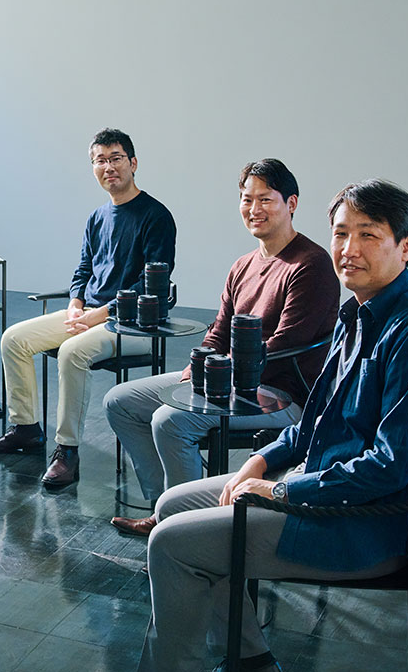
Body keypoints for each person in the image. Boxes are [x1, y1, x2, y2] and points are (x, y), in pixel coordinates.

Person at [127, 179, 408, 672]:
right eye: (341, 233)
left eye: (368, 235)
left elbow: (390, 465)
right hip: (327, 490)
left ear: (407, 246)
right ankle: (252, 663)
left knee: (171, 544)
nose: (349, 249)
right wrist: (262, 462)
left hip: (369, 523)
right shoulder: (357, 313)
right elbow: (314, 425)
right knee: (172, 505)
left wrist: (283, 490)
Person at [104, 159, 339, 535]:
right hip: (226, 383)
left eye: (265, 199)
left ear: (291, 203)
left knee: (170, 420)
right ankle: (166, 506)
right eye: (247, 199)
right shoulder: (243, 265)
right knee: (120, 401)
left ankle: (187, 529)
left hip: (283, 397)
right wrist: (194, 369)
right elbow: (219, 330)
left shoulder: (311, 265)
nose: (254, 209)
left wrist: (218, 375)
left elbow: (285, 344)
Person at [0, 128, 177, 487]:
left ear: (133, 163)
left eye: (116, 158)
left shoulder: (156, 216)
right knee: (13, 339)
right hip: (89, 314)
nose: (108, 167)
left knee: (71, 352)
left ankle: (67, 450)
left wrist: (100, 314)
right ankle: (25, 428)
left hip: (134, 324)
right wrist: (75, 305)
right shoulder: (97, 217)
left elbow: (151, 284)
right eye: (100, 161)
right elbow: (83, 270)